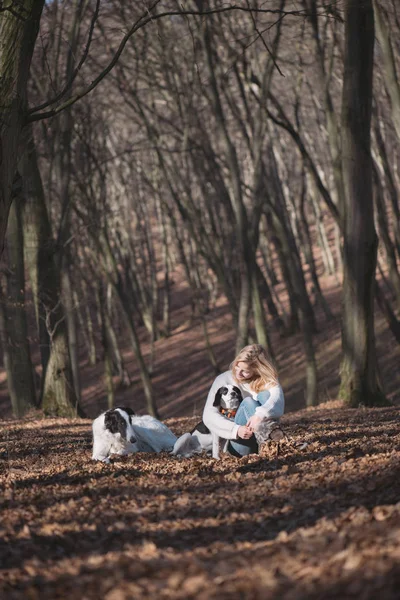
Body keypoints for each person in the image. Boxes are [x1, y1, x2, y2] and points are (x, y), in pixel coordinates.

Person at [202, 344, 285, 457]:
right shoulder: (223, 379)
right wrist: (236, 430)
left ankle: (271, 443)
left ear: (257, 370)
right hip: (240, 445)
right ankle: (277, 442)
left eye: (245, 371)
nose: (238, 373)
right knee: (248, 402)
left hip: (261, 442)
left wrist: (260, 415)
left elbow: (277, 400)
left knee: (266, 395)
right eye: (237, 366)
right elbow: (208, 415)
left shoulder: (267, 380)